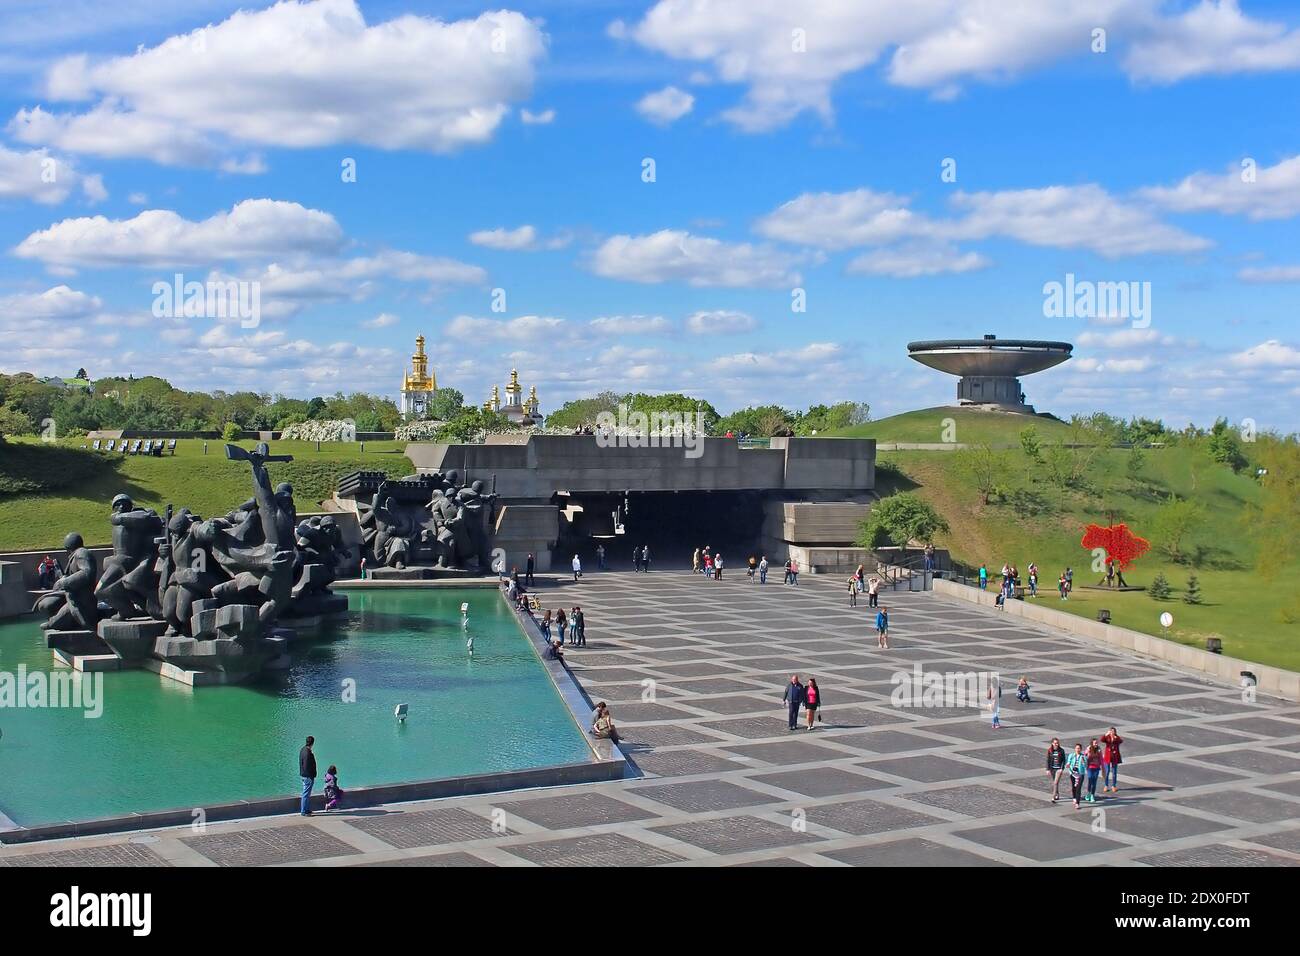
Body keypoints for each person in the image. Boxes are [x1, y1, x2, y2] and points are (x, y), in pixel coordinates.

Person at [1100, 727, 1123, 793]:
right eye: (1111, 731)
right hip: (1108, 756)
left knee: (1114, 772)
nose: (1112, 732)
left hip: (1115, 757)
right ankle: (1106, 785)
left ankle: (1114, 785)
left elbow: (1121, 741)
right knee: (1107, 772)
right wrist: (1106, 734)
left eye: (1113, 731)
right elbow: (1102, 740)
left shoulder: (1116, 738)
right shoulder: (1107, 737)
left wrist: (1116, 737)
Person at [298, 735, 317, 816]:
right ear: (312, 743)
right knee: (305, 794)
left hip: (304, 775)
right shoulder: (308, 753)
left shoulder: (303, 750)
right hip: (308, 776)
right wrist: (311, 775)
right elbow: (307, 765)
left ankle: (306, 809)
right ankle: (303, 811)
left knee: (307, 794)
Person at [1065, 743, 1087, 809]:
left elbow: (1086, 766)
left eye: (1079, 748)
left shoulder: (1083, 756)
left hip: (1080, 774)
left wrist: (1083, 763)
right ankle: (1074, 797)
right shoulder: (1071, 755)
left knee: (1078, 788)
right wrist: (1068, 765)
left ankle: (1077, 803)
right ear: (1075, 749)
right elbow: (1068, 762)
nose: (1078, 749)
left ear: (1081, 749)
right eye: (1077, 748)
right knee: (1073, 787)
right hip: (1073, 773)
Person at [1045, 737, 1067, 804]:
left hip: (1058, 769)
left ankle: (1053, 797)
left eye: (1057, 743)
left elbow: (1064, 760)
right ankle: (1057, 794)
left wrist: (1062, 768)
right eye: (1055, 743)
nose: (1056, 744)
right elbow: (1048, 760)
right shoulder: (1049, 750)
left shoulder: (1061, 750)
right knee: (1055, 782)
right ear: (1052, 743)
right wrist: (1047, 769)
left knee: (1055, 783)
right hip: (1052, 769)